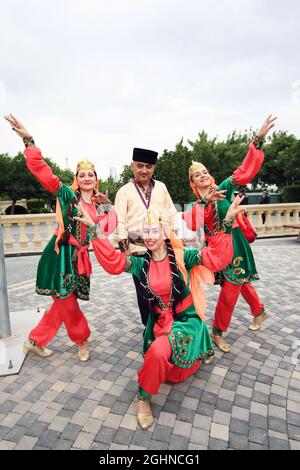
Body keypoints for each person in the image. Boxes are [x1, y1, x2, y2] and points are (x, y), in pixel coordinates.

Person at [74, 196, 244, 429]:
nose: (149, 236)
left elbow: (216, 258)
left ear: (164, 233)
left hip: (185, 320)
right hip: (159, 322)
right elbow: (114, 262)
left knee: (160, 355)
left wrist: (225, 224)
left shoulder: (184, 256)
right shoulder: (140, 264)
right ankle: (145, 397)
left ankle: (143, 397)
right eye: (145, 232)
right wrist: (94, 230)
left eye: (154, 231)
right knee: (163, 362)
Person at [4, 114, 117, 361]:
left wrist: (107, 207)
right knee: (66, 300)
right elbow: (43, 172)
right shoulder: (67, 195)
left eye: (91, 174)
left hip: (80, 257)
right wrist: (29, 141)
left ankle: (35, 341)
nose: (87, 178)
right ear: (76, 179)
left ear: (96, 179)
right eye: (82, 174)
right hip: (61, 254)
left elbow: (108, 230)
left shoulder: (100, 205)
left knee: (62, 303)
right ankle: (82, 339)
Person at [182, 115, 277, 353]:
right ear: (193, 183)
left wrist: (257, 139)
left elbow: (243, 171)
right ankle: (259, 310)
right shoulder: (198, 204)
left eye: (205, 171)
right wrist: (205, 201)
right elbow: (194, 222)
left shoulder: (224, 188)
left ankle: (217, 332)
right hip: (216, 248)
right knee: (238, 281)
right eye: (197, 174)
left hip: (235, 244)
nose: (203, 174)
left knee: (231, 288)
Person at [114, 148, 178, 327]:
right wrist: (125, 252)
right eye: (140, 166)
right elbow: (119, 222)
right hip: (137, 251)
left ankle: (167, 326)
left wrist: (175, 242)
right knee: (144, 293)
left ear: (154, 168)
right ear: (132, 166)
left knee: (166, 289)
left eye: (148, 166)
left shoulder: (162, 187)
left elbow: (172, 213)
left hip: (162, 249)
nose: (144, 170)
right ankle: (149, 330)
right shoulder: (124, 192)